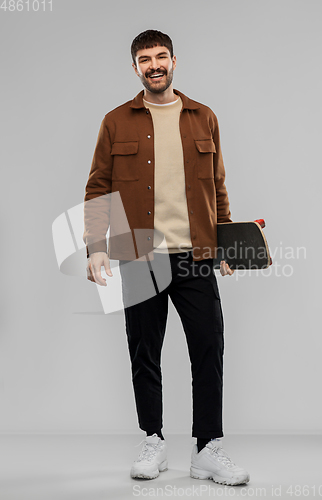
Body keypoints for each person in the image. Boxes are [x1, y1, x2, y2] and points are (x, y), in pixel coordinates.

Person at [83, 29, 250, 486]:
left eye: (161, 56)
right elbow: (98, 187)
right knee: (144, 351)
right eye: (144, 59)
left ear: (174, 61)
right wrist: (97, 247)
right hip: (139, 255)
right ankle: (153, 440)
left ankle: (208, 448)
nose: (154, 65)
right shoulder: (116, 121)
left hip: (195, 255)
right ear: (135, 68)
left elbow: (217, 187)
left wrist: (228, 245)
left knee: (208, 348)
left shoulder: (203, 117)